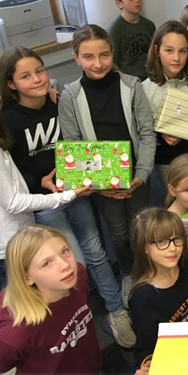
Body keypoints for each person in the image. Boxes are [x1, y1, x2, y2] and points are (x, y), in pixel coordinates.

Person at [0, 47, 135, 347]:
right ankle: (76, 321)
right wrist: (38, 182)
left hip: (76, 193)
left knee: (95, 251)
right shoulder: (7, 120)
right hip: (45, 204)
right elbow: (10, 169)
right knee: (72, 262)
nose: (37, 79)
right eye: (25, 76)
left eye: (39, 71)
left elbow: (80, 145)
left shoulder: (58, 102)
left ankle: (116, 311)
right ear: (10, 83)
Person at [58, 24, 156, 308]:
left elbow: (146, 132)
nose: (98, 63)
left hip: (137, 174)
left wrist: (141, 175)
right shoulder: (71, 96)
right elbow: (73, 145)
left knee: (140, 228)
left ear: (112, 53)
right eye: (88, 57)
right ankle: (128, 273)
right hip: (101, 183)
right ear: (76, 58)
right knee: (119, 232)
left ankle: (148, 272)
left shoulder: (131, 86)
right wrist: (98, 187)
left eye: (104, 55)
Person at [0, 77, 83, 287]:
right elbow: (13, 202)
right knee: (22, 295)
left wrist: (47, 89)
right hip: (9, 238)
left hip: (4, 237)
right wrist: (68, 195)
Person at [0, 225, 101, 375]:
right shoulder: (19, 331)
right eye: (47, 263)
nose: (65, 265)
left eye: (64, 251)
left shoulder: (76, 277)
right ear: (27, 278)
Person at [129, 207, 188, 374]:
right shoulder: (143, 298)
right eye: (161, 241)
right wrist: (147, 364)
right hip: (180, 361)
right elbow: (146, 350)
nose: (173, 248)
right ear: (145, 247)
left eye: (177, 238)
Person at [142, 20, 188, 193]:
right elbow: (143, 128)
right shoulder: (146, 88)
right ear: (157, 51)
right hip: (166, 159)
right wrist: (161, 132)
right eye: (169, 51)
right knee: (175, 202)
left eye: (182, 51)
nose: (176, 58)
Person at [107, 0, 156, 80]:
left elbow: (154, 56)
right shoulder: (114, 31)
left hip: (151, 78)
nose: (137, 0)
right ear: (119, 3)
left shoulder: (149, 25)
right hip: (129, 82)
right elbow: (113, 64)